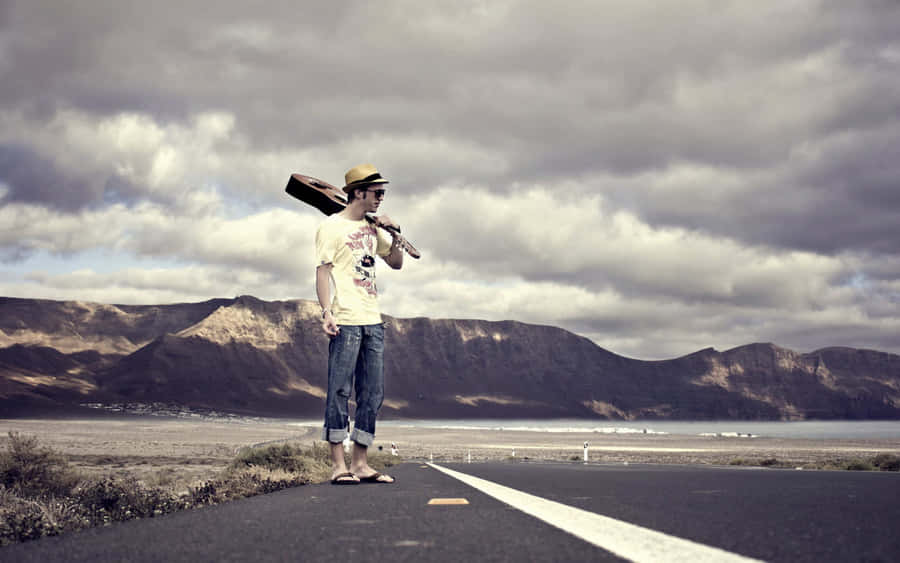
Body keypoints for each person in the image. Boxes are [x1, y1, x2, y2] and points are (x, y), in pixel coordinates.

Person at [315, 163, 404, 484]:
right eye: (377, 192)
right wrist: (326, 312)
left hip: (373, 320)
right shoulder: (331, 227)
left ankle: (361, 464)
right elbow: (323, 271)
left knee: (372, 393)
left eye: (383, 193)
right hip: (346, 319)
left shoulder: (373, 229)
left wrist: (394, 234)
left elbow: (396, 263)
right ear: (358, 192)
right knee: (339, 390)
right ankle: (339, 466)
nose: (381, 197)